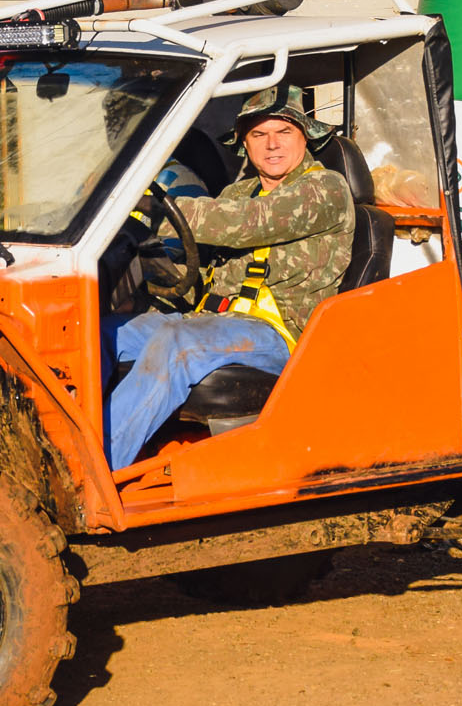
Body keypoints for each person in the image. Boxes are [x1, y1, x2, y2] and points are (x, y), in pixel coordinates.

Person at [105, 84, 354, 471]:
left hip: (280, 332)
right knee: (100, 331)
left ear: (305, 136)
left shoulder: (324, 189)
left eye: (283, 132)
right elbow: (200, 254)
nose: (272, 144)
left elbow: (245, 225)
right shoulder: (239, 190)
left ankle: (94, 474)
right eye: (259, 135)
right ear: (245, 144)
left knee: (177, 342)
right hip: (210, 317)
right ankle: (59, 448)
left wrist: (145, 206)